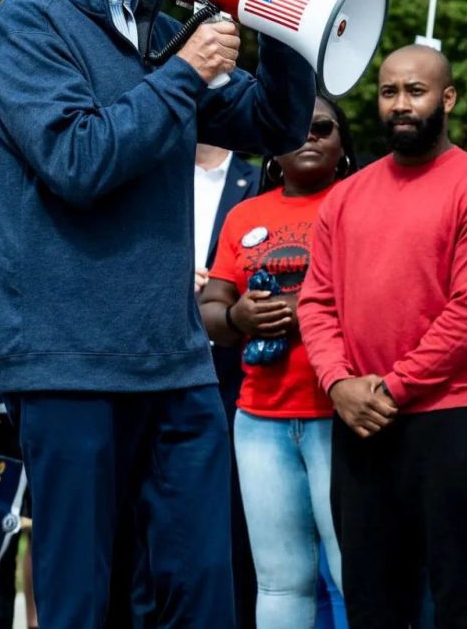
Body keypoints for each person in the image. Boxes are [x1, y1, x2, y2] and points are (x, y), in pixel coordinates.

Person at [0, 0, 316, 627]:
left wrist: (281, 25)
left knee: (203, 589)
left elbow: (272, 124)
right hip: (69, 364)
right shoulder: (29, 22)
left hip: (171, 359)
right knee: (84, 596)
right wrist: (184, 72)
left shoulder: (155, 27)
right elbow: (78, 161)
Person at [300, 44, 467, 627]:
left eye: (415, 92)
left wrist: (392, 388)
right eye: (389, 91)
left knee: (460, 598)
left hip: (447, 417)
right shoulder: (346, 196)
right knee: (371, 598)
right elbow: (317, 302)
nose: (400, 104)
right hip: (360, 422)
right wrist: (338, 383)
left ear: (446, 99)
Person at [199, 94, 357, 629]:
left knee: (351, 570)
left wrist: (298, 307)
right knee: (279, 580)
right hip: (260, 418)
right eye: (295, 126)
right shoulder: (245, 215)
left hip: (339, 413)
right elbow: (210, 310)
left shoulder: (360, 202)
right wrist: (240, 317)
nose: (309, 136)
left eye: (323, 127)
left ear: (342, 144)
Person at [192, 140, 263, 628]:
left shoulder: (258, 180)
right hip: (161, 366)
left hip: (238, 370)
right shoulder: (150, 173)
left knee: (244, 525)